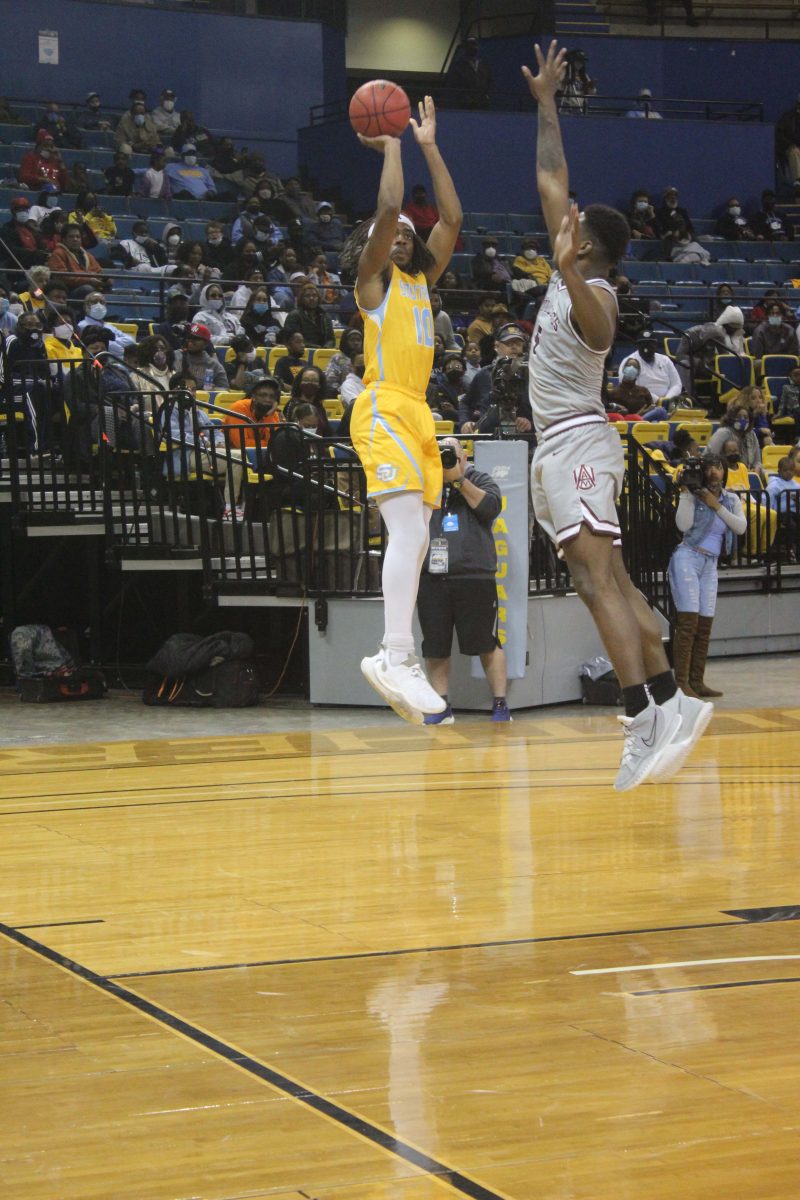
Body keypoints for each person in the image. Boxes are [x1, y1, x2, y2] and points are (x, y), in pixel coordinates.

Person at [523, 39, 711, 791]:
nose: (560, 215)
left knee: (595, 582)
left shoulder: (595, 291)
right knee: (613, 583)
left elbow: (602, 337)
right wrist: (545, 101)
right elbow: (548, 175)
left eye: (573, 226)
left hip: (578, 442)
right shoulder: (575, 267)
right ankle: (672, 700)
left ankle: (640, 718)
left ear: (590, 246)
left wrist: (566, 269)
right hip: (565, 447)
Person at [342, 94, 462, 723]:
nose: (406, 238)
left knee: (416, 544)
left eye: (413, 236)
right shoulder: (373, 287)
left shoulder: (421, 282)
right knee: (410, 533)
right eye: (396, 236)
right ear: (379, 245)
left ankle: (398, 656)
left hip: (417, 413)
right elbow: (391, 209)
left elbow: (453, 217)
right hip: (383, 407)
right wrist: (391, 144)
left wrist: (429, 146)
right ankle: (394, 653)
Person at [415, 437, 510, 724]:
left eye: (450, 454)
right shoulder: (425, 482)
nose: (444, 459)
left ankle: (500, 704)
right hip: (432, 575)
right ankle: (440, 706)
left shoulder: (479, 478)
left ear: (464, 456)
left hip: (474, 574)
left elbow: (491, 508)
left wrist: (458, 480)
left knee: (485, 641)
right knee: (435, 644)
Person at [668, 454, 745, 698]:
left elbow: (740, 527)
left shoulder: (731, 499)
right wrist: (685, 494)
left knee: (705, 625)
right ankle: (681, 683)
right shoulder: (691, 495)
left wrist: (715, 504)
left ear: (724, 471)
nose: (714, 472)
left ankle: (697, 681)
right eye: (709, 467)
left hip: (710, 564)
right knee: (688, 623)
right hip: (688, 557)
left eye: (718, 467)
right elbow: (682, 526)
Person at [619, 331, 682, 406]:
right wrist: (657, 400)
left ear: (655, 345)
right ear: (638, 345)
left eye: (650, 344)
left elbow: (677, 384)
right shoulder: (630, 362)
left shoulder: (665, 360)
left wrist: (667, 400)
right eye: (643, 344)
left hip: (669, 403)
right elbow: (629, 386)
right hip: (642, 404)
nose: (646, 347)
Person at [223, 377, 283, 453]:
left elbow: (275, 443)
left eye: (272, 396)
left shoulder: (272, 412)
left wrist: (268, 417)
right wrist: (268, 444)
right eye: (263, 395)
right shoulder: (239, 408)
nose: (268, 400)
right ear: (253, 397)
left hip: (258, 455)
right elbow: (241, 444)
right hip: (232, 454)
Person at [48, 224, 107, 296]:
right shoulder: (57, 254)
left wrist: (104, 280)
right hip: (69, 291)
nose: (75, 239)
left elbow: (98, 271)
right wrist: (89, 280)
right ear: (64, 239)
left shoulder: (87, 255)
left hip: (91, 286)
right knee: (87, 289)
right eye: (71, 237)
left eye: (78, 237)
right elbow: (62, 277)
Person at [707, 396, 763, 471]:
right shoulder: (722, 433)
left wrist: (757, 468)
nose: (742, 420)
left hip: (748, 473)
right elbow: (710, 457)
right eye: (739, 417)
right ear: (731, 419)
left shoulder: (751, 434)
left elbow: (757, 461)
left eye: (746, 417)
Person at [173, 323, 228, 390]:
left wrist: (214, 389)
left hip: (202, 399)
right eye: (189, 338)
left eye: (196, 339)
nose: (191, 341)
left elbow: (224, 389)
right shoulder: (175, 356)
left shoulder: (214, 365)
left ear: (206, 344)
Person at [0, 198, 49, 272]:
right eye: (20, 210)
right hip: (17, 266)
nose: (23, 212)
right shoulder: (6, 229)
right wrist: (34, 254)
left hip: (37, 265)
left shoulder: (32, 229)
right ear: (13, 212)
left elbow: (42, 246)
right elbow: (11, 250)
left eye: (25, 210)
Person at [282, 282, 335, 348]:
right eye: (307, 296)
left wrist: (326, 348)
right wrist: (313, 348)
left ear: (318, 298)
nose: (311, 298)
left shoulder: (325, 316)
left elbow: (331, 339)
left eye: (314, 295)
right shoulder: (294, 316)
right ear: (301, 299)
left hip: (321, 353)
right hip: (301, 352)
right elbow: (291, 340)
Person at [446, 37, 493, 109]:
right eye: (470, 45)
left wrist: (486, 95)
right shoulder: (458, 65)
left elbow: (489, 80)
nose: (474, 47)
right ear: (465, 48)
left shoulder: (483, 64)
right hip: (465, 103)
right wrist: (463, 97)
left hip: (482, 102)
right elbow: (454, 84)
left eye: (475, 45)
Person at [324, 328, 364, 392]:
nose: (356, 343)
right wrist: (345, 390)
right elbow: (330, 381)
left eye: (358, 340)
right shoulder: (337, 358)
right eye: (352, 340)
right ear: (345, 342)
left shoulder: (366, 358)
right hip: (340, 393)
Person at [776, 95, 800, 191]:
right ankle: (798, 182)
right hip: (790, 148)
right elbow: (779, 134)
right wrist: (790, 145)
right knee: (794, 152)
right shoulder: (787, 117)